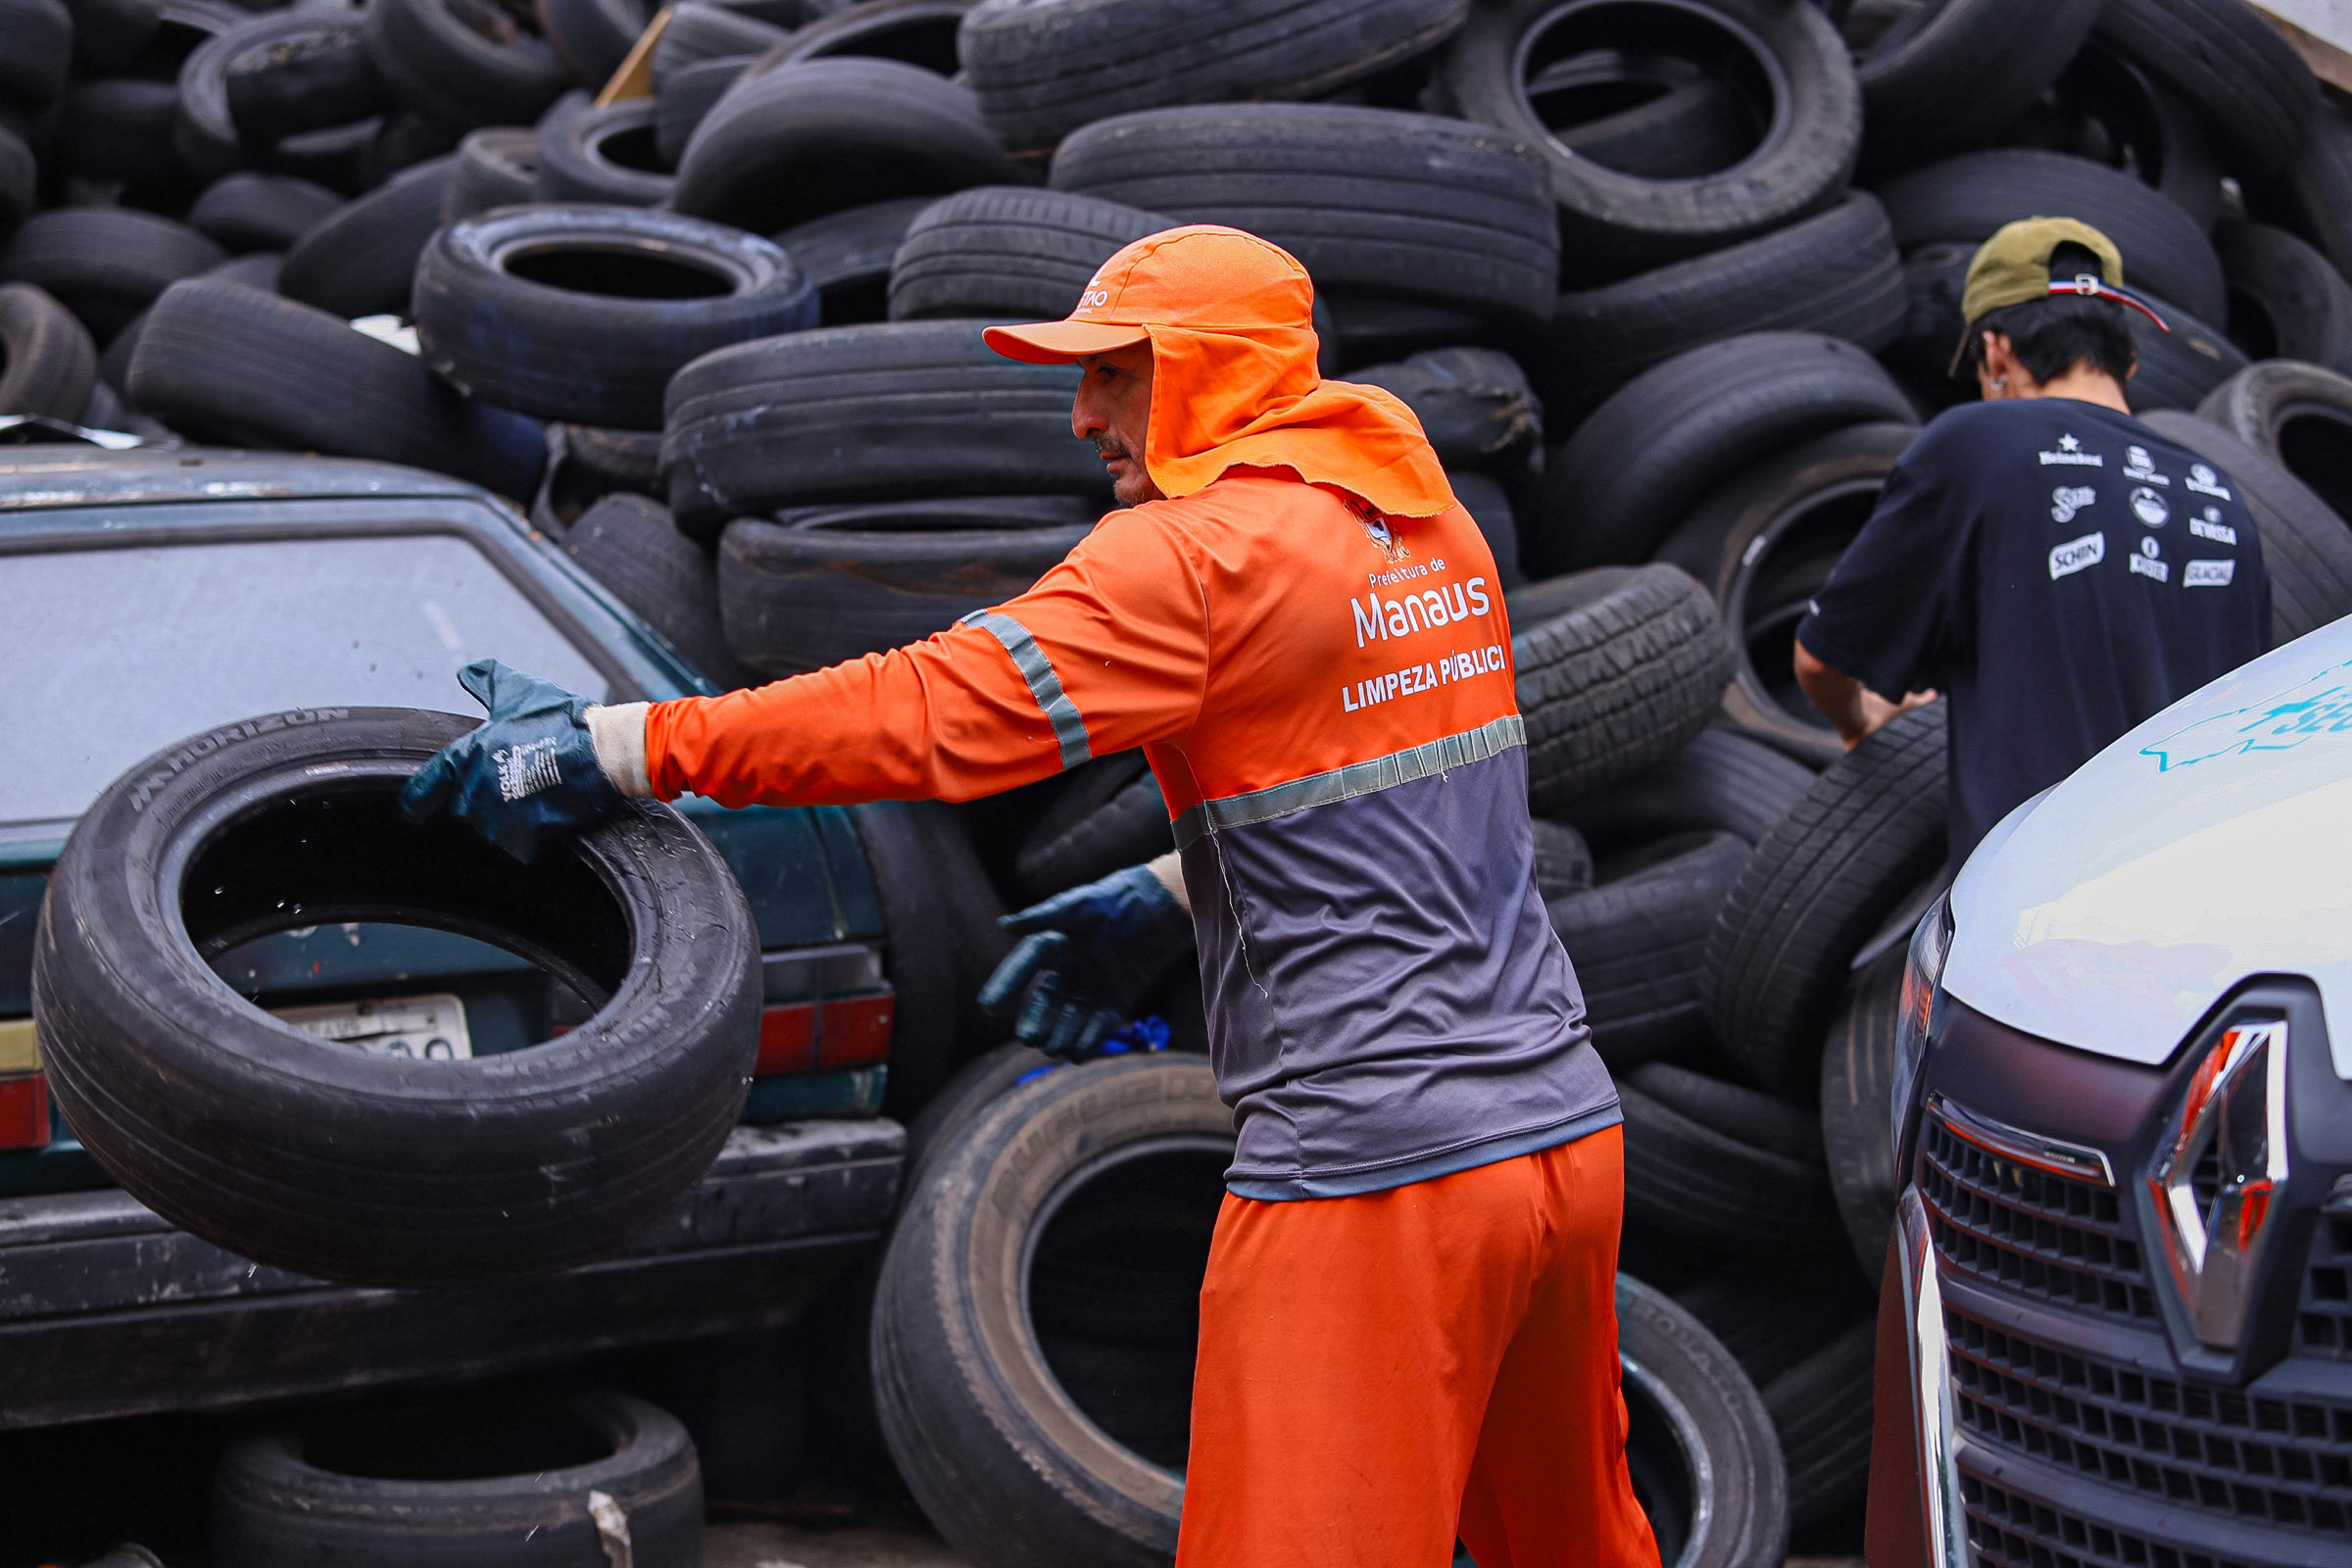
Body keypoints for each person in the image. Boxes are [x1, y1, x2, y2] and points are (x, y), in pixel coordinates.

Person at [402, 224, 1659, 1568]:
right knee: (1573, 1546)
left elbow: (930, 712)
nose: (1083, 414)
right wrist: (1179, 891)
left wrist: (619, 748)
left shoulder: (1193, 559)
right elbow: (1397, 789)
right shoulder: (1413, 520)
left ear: (1210, 373)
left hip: (1373, 1178)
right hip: (1559, 1143)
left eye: (1117, 374)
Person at [1793, 218, 2271, 864]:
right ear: (2126, 358)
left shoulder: (1975, 446)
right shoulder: (2221, 494)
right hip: (2203, 901)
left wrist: (1861, 720)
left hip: (2046, 909)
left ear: (1994, 352)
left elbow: (1822, 661)